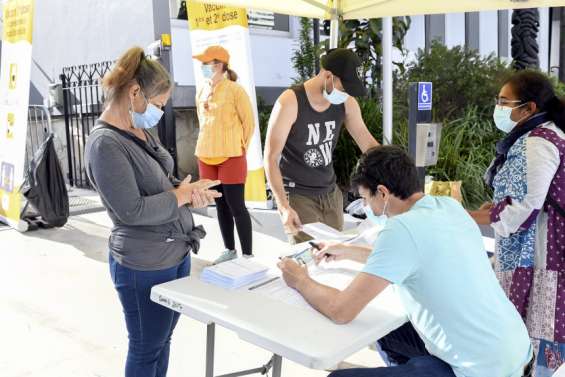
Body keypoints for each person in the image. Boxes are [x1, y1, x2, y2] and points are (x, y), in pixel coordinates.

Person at [278, 145, 534, 377]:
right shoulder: (449, 207)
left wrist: (299, 279)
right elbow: (413, 259)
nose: (366, 207)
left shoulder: (400, 228)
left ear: (383, 193)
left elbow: (341, 310)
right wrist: (346, 251)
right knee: (387, 332)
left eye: (366, 199)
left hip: (481, 372)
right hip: (516, 354)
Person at [85, 46, 221, 377]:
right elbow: (132, 210)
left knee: (162, 340)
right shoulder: (106, 144)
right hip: (142, 263)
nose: (160, 112)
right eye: (158, 104)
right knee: (146, 348)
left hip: (174, 253)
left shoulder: (140, 128)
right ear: (134, 92)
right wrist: (180, 195)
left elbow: (163, 180)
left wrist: (189, 192)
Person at [469, 71, 565, 377]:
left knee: (537, 333)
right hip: (540, 249)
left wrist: (467, 216)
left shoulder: (538, 142)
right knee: (536, 334)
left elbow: (525, 207)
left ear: (529, 108)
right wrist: (494, 208)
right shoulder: (543, 134)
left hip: (541, 253)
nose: (497, 107)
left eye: (503, 101)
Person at [264, 48, 379, 244]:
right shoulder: (289, 102)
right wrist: (283, 207)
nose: (346, 95)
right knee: (311, 259)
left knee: (334, 257)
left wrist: (397, 178)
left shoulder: (346, 103)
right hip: (298, 196)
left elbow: (368, 144)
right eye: (343, 89)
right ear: (327, 76)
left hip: (331, 195)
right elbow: (271, 157)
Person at [193, 45, 255, 264]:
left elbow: (249, 123)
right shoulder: (201, 90)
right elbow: (202, 121)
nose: (202, 67)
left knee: (236, 205)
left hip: (231, 155)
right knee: (219, 204)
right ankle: (229, 250)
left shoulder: (236, 90)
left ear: (218, 65)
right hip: (206, 155)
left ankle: (247, 254)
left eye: (206, 63)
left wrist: (240, 146)